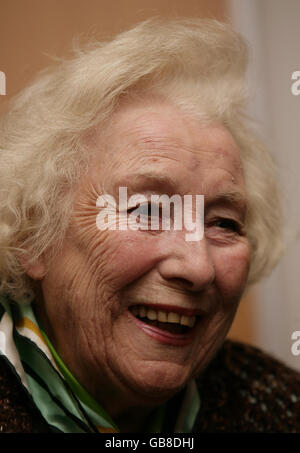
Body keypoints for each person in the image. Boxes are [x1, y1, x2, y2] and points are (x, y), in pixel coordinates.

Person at [0, 18, 299, 433]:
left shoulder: (279, 407)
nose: (198, 267)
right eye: (146, 210)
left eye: (224, 223)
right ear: (33, 236)